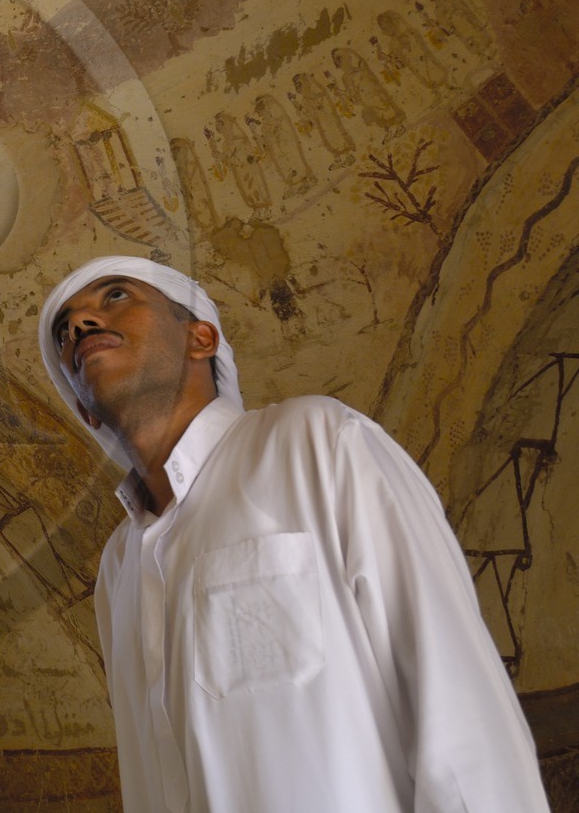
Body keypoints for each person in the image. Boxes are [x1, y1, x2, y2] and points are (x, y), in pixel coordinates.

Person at [37, 255, 548, 812]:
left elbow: (458, 706)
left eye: (114, 297)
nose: (80, 326)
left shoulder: (318, 440)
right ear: (85, 413)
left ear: (200, 338)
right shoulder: (119, 567)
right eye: (65, 330)